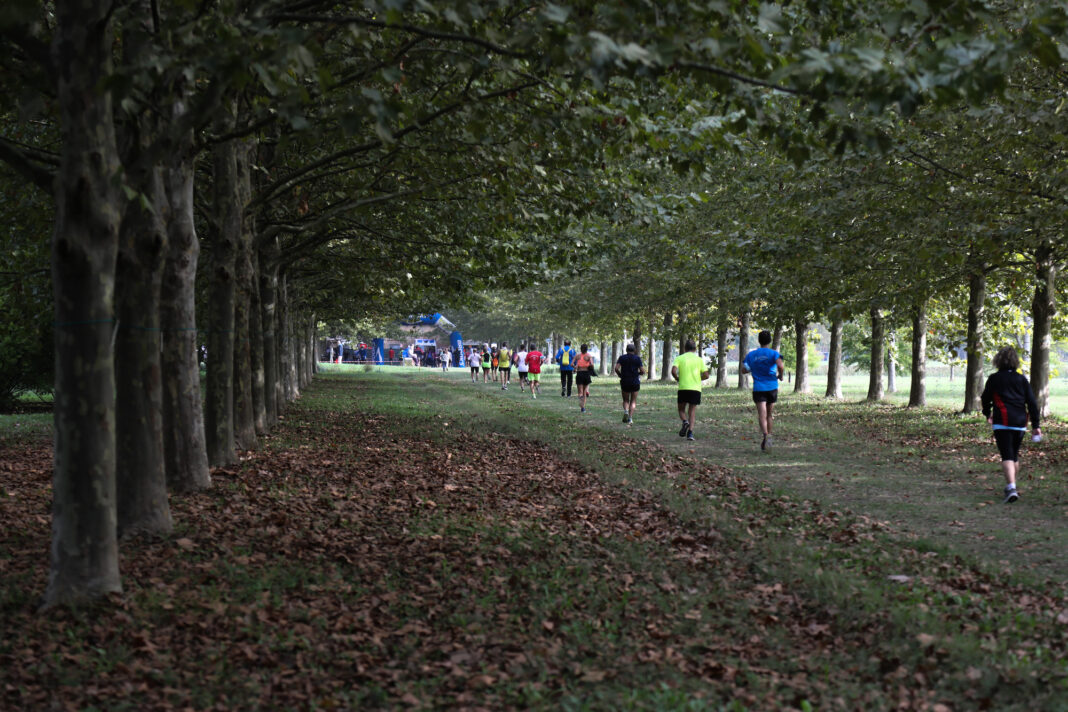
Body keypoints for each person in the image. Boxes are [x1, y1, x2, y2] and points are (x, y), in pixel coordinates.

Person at [981, 345, 1042, 504]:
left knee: (1006, 455)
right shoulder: (1022, 379)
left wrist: (987, 413)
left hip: (1002, 421)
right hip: (1020, 421)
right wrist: (1036, 425)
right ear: (1015, 361)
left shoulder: (994, 378)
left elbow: (985, 398)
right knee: (1014, 455)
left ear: (998, 361)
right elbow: (1032, 403)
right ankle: (1012, 485)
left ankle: (1011, 488)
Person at [741, 330, 785, 451]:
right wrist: (780, 376)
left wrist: (753, 367)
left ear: (759, 340)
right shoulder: (774, 353)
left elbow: (744, 370)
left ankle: (765, 436)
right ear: (770, 340)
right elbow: (780, 366)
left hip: (759, 388)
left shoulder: (751, 355)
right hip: (772, 387)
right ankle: (769, 436)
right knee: (769, 415)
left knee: (762, 414)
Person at [671, 339, 709, 441]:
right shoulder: (699, 360)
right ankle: (690, 434)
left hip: (683, 388)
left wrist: (677, 378)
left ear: (685, 348)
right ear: (695, 349)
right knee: (692, 411)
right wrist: (699, 378)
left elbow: (673, 371)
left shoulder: (679, 358)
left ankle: (685, 422)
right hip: (695, 389)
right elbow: (706, 375)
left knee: (681, 409)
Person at [614, 343, 645, 423]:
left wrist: (620, 375)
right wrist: (638, 374)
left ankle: (626, 411)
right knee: (633, 401)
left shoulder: (622, 358)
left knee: (625, 400)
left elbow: (616, 368)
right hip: (635, 381)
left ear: (626, 350)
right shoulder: (637, 358)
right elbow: (642, 371)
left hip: (625, 381)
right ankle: (630, 418)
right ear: (634, 350)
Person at [574, 344, 596, 413]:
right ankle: (583, 408)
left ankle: (580, 399)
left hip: (579, 373)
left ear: (580, 349)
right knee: (584, 392)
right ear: (587, 349)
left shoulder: (577, 356)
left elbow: (571, 364)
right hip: (586, 374)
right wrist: (589, 366)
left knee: (580, 392)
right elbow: (592, 365)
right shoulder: (589, 356)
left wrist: (575, 367)